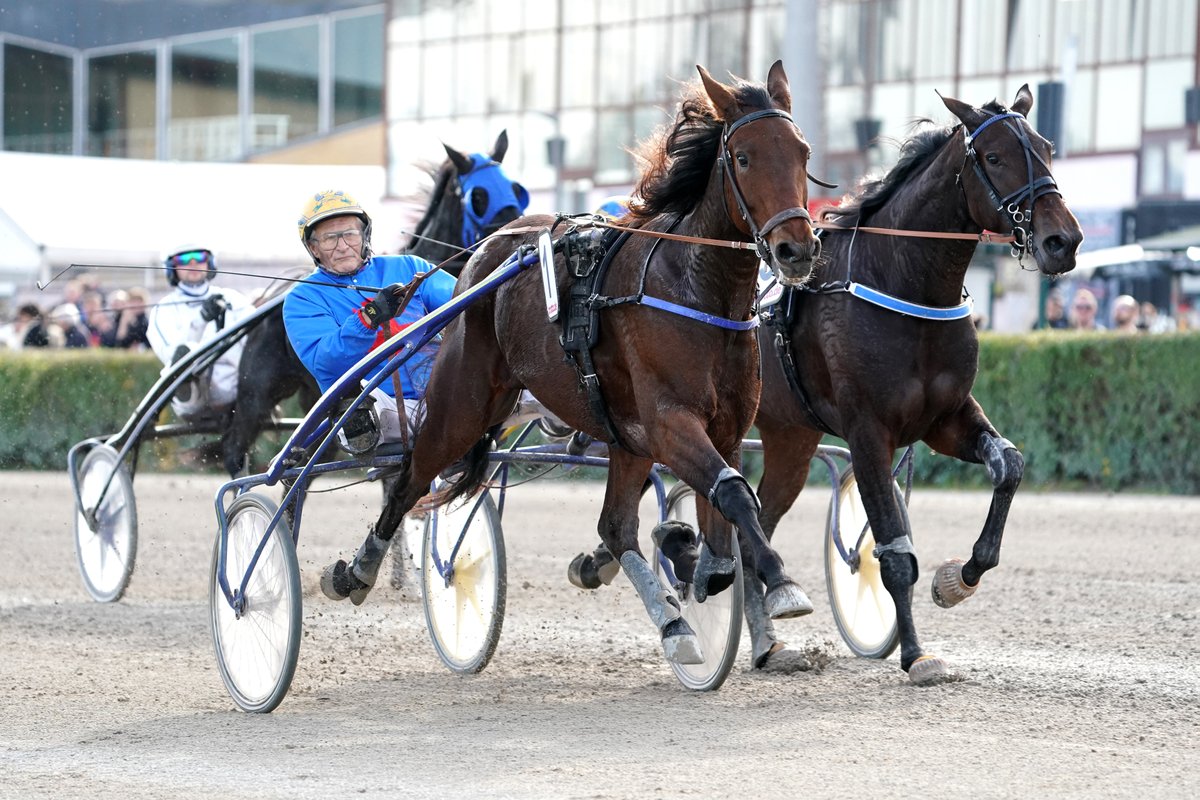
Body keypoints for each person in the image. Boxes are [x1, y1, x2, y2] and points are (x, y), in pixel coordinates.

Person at [284, 189, 456, 450]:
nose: (343, 246)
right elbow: (326, 362)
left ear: (365, 235)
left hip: (446, 394)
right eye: (330, 238)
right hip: (378, 409)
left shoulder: (409, 267)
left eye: (350, 234)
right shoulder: (303, 298)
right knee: (363, 407)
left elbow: (465, 300)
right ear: (313, 248)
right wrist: (369, 317)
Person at [147, 246, 253, 419]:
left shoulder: (233, 299)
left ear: (209, 262)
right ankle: (188, 389)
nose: (193, 263)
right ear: (172, 267)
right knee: (185, 355)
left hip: (237, 387)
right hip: (194, 399)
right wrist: (201, 320)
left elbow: (255, 336)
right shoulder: (163, 309)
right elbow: (170, 355)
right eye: (184, 259)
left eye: (199, 257)